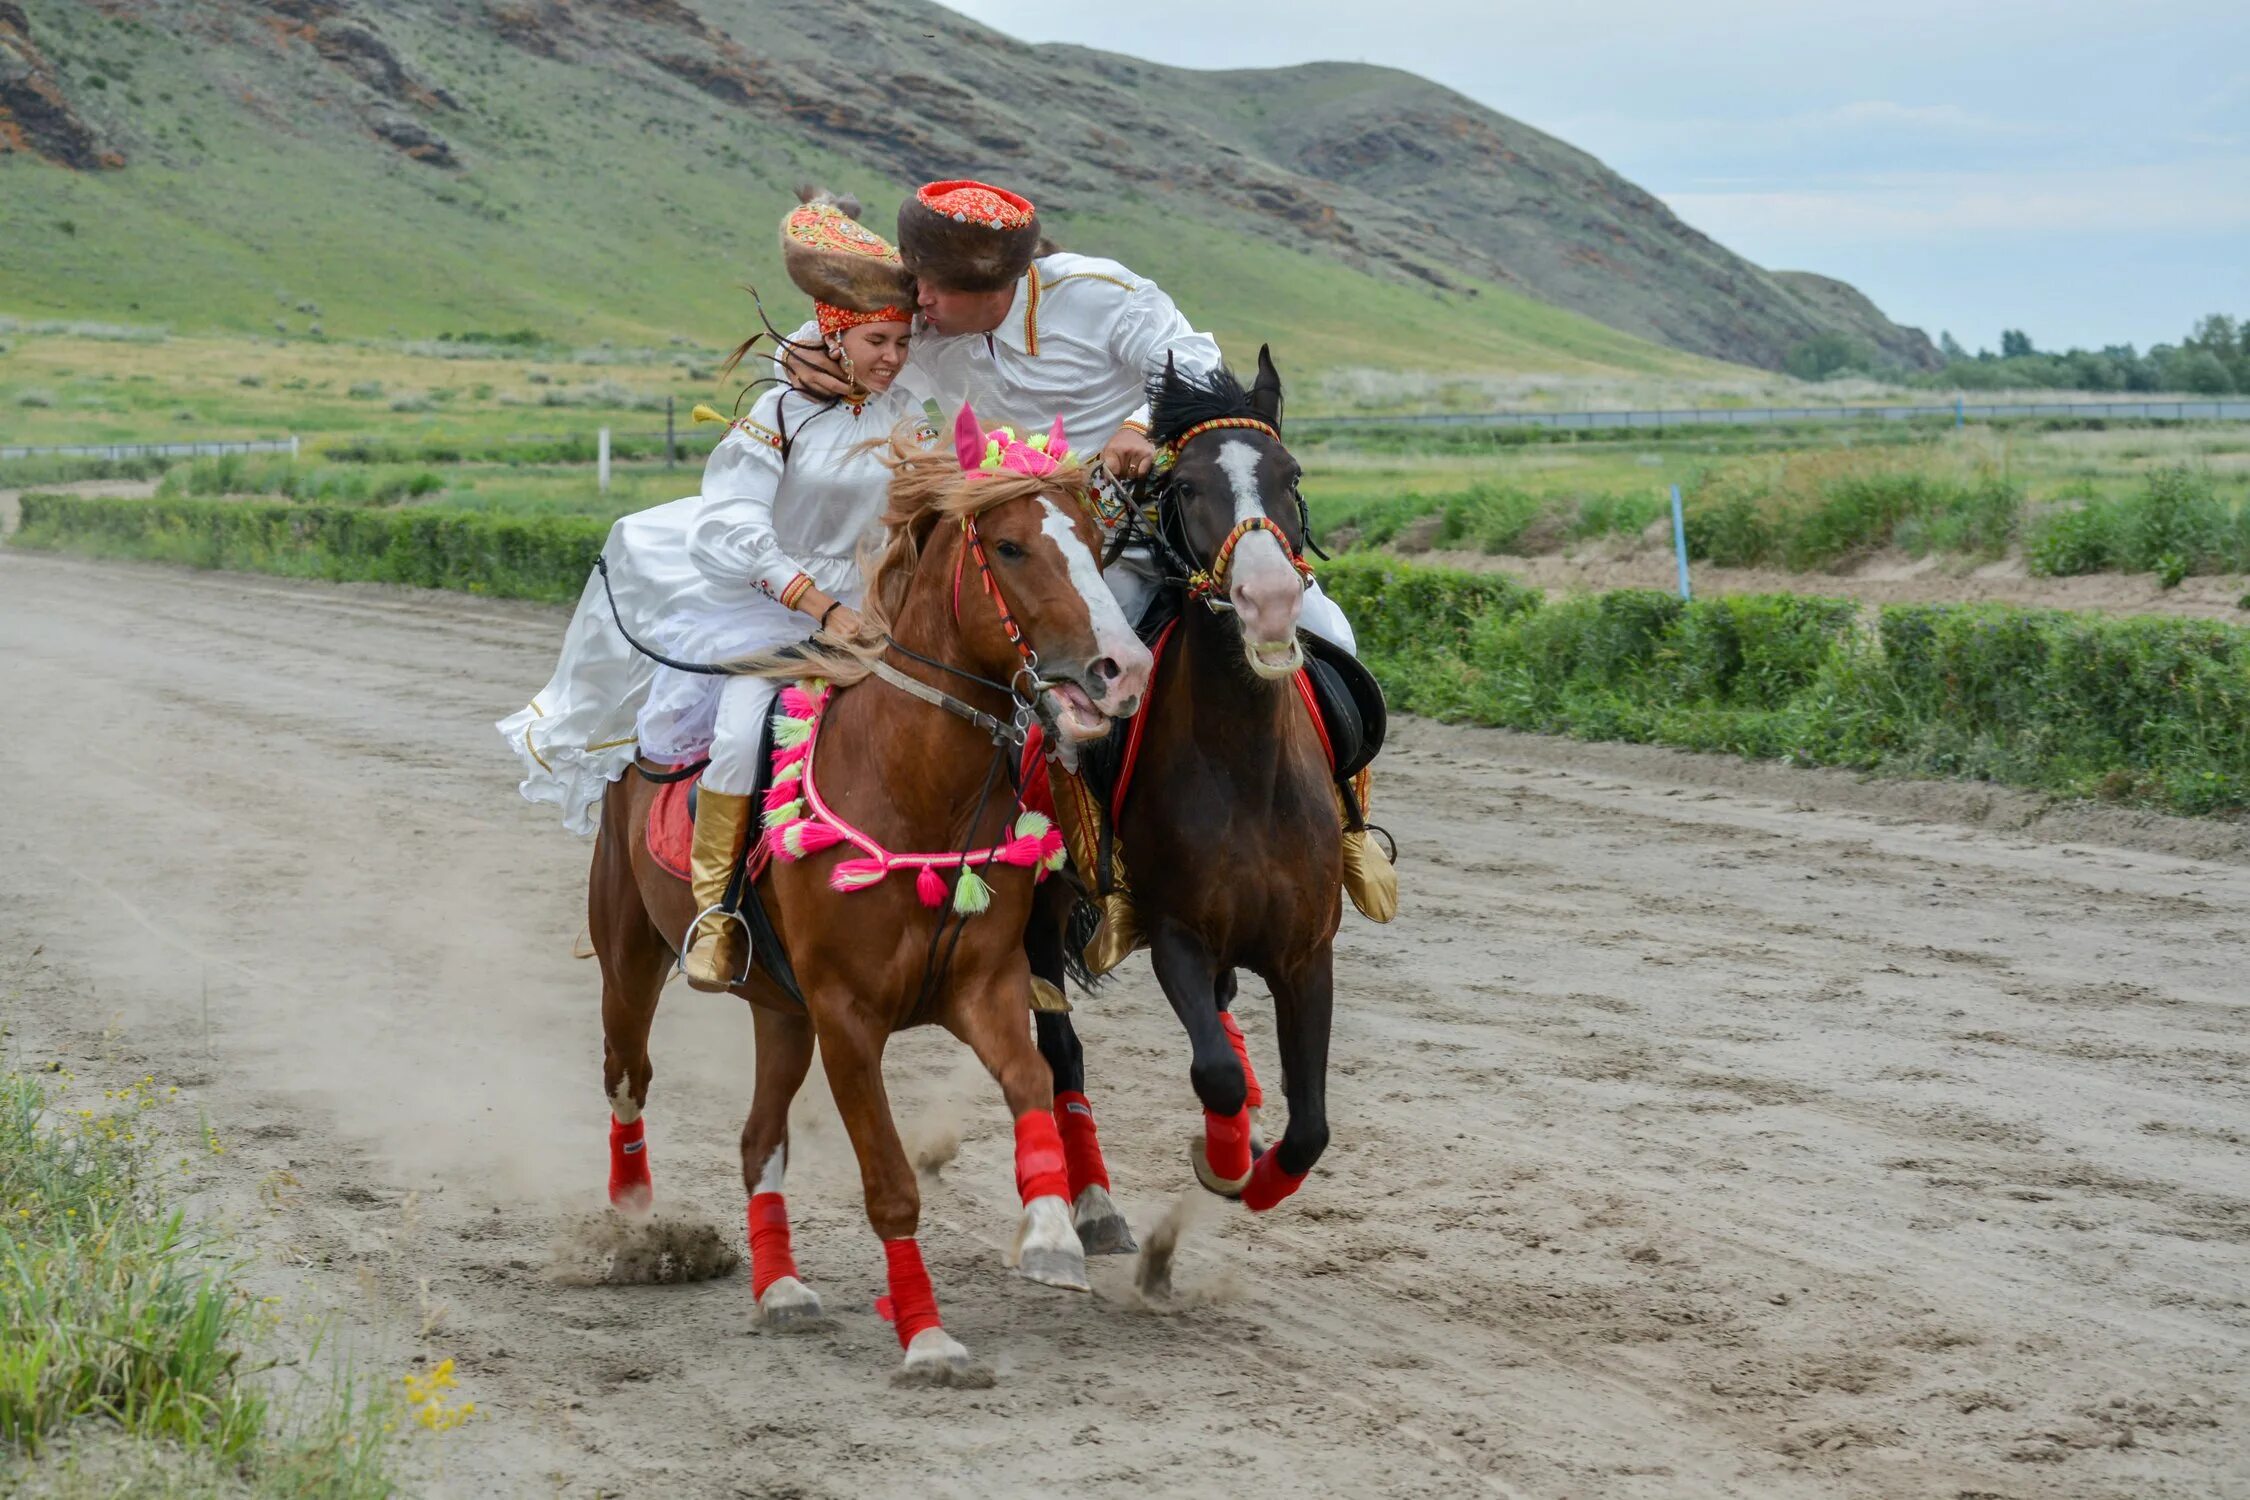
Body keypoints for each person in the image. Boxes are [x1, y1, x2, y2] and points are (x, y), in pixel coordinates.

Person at [778, 180, 1393, 929]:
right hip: (1044, 548)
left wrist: (1140, 422)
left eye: (936, 288)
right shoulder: (926, 321)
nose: (920, 301)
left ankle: (1353, 831)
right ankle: (1102, 873)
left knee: (1331, 635)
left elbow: (1192, 359)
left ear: (998, 286)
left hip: (1163, 524)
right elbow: (839, 348)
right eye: (919, 280)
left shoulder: (1100, 295)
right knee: (1059, 701)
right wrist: (801, 359)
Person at [498, 188, 919, 989]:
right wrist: (823, 607)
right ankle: (718, 912)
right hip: (771, 606)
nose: (893, 357)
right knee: (739, 733)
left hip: (884, 606)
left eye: (902, 341)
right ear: (836, 336)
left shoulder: (909, 408)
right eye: (876, 340)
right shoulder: (777, 413)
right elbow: (730, 531)